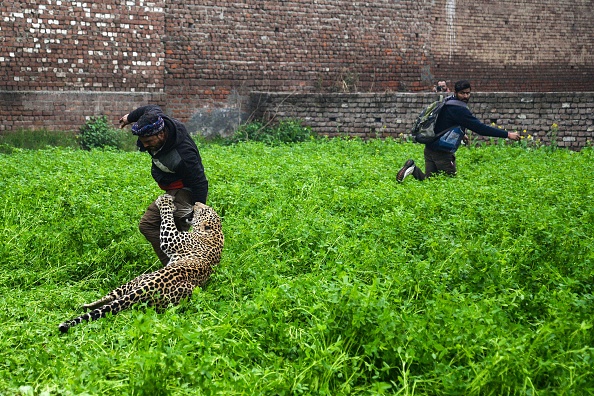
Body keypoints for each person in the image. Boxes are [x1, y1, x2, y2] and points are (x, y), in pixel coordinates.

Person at [119, 105, 209, 265]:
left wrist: (198, 214)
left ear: (161, 134)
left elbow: (200, 182)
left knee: (157, 227)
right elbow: (148, 108)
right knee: (152, 227)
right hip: (171, 187)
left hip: (185, 190)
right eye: (142, 141)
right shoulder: (155, 118)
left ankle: (182, 270)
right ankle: (179, 266)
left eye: (148, 141)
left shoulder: (184, 155)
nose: (144, 145)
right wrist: (129, 118)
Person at [398, 80, 520, 182]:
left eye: (468, 93)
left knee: (431, 182)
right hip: (442, 152)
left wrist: (461, 134)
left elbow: (444, 123)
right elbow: (480, 129)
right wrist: (508, 134)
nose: (466, 96)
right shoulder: (459, 110)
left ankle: (413, 169)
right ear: (456, 92)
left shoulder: (447, 102)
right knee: (450, 184)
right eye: (462, 93)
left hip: (430, 147)